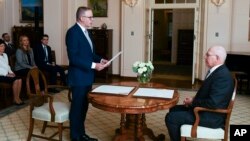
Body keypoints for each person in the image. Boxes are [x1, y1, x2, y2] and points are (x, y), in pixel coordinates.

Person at [165, 45, 234, 141]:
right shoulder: (216, 72)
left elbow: (213, 103)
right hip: (205, 110)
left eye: (208, 55)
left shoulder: (222, 77)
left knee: (171, 118)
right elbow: (209, 95)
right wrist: (193, 100)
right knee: (173, 109)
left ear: (217, 58)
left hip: (212, 116)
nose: (204, 57)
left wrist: (193, 102)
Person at [65, 6, 109, 141]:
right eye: (90, 17)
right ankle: (75, 137)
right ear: (81, 18)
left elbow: (90, 54)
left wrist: (100, 59)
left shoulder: (87, 32)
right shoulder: (72, 32)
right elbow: (74, 58)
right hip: (78, 78)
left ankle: (81, 134)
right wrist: (94, 65)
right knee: (77, 108)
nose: (92, 20)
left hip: (87, 77)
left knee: (84, 107)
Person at [0, 39, 24, 105]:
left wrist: (11, 72)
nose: (3, 47)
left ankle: (17, 98)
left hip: (7, 74)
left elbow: (7, 66)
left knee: (19, 79)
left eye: (4, 46)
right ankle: (15, 99)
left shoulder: (5, 55)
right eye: (1, 46)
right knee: (16, 80)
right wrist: (6, 74)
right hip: (1, 75)